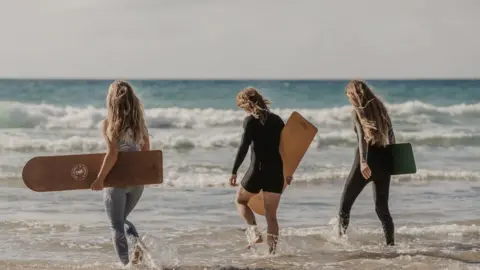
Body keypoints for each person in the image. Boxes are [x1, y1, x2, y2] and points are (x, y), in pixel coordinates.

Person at [90, 80, 150, 265]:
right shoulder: (140, 124)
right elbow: (146, 154)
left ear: (111, 100)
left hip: (116, 181)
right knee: (122, 220)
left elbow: (113, 154)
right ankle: (136, 247)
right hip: (137, 182)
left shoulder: (108, 123)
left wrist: (99, 179)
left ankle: (126, 265)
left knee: (116, 224)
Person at [229, 87, 292, 254]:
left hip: (257, 171)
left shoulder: (250, 121)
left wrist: (234, 170)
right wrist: (289, 172)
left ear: (246, 104)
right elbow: (285, 149)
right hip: (276, 173)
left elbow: (243, 147)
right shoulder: (277, 120)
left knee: (240, 200)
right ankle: (272, 254)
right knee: (271, 216)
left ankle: (255, 233)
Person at [338, 80, 396, 246]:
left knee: (344, 206)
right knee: (382, 209)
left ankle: (341, 241)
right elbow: (391, 135)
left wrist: (363, 161)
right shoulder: (381, 107)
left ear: (354, 95)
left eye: (349, 95)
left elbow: (362, 138)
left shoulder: (356, 112)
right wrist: (393, 158)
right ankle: (390, 245)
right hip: (384, 163)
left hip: (365, 164)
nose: (348, 99)